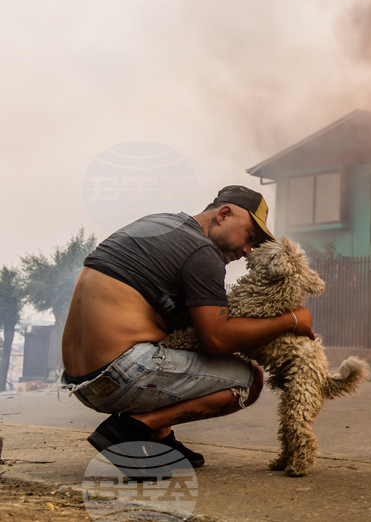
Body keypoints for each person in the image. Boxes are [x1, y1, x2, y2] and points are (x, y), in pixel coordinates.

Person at [61, 185, 315, 469]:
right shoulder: (202, 251)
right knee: (249, 381)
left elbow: (180, 319)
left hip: (81, 381)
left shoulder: (160, 223)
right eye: (249, 237)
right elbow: (216, 340)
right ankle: (131, 431)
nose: (246, 251)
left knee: (171, 331)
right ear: (224, 214)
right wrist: (291, 320)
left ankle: (161, 440)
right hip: (120, 374)